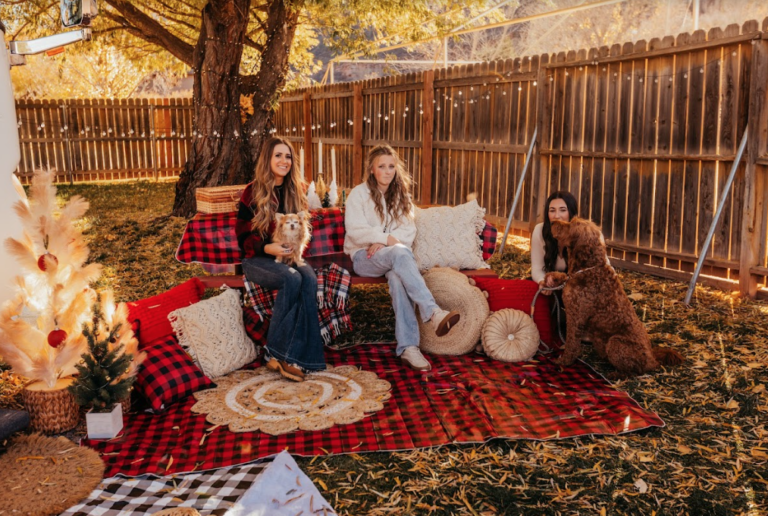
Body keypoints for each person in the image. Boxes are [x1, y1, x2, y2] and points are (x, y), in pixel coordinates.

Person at [344, 145, 460, 372]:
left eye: (391, 166)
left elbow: (408, 232)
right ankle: (433, 313)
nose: (387, 172)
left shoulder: (402, 196)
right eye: (381, 167)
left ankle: (409, 348)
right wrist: (386, 239)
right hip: (363, 257)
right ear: (371, 169)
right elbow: (356, 230)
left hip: (394, 258)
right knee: (399, 252)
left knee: (398, 277)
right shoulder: (359, 194)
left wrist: (386, 242)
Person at [235, 136, 325, 382]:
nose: (284, 161)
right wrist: (269, 248)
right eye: (278, 155)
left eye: (288, 156)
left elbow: (301, 233)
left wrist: (291, 251)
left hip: (286, 257)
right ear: (268, 159)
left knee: (308, 276)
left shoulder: (296, 190)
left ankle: (305, 356)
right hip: (256, 259)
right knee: (291, 278)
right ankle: (279, 355)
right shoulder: (252, 191)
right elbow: (243, 237)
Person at [530, 191, 579, 294]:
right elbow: (537, 268)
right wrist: (543, 280)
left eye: (562, 210)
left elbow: (603, 267)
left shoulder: (585, 233)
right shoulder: (540, 231)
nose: (557, 215)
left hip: (578, 288)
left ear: (572, 212)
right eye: (552, 210)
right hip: (551, 285)